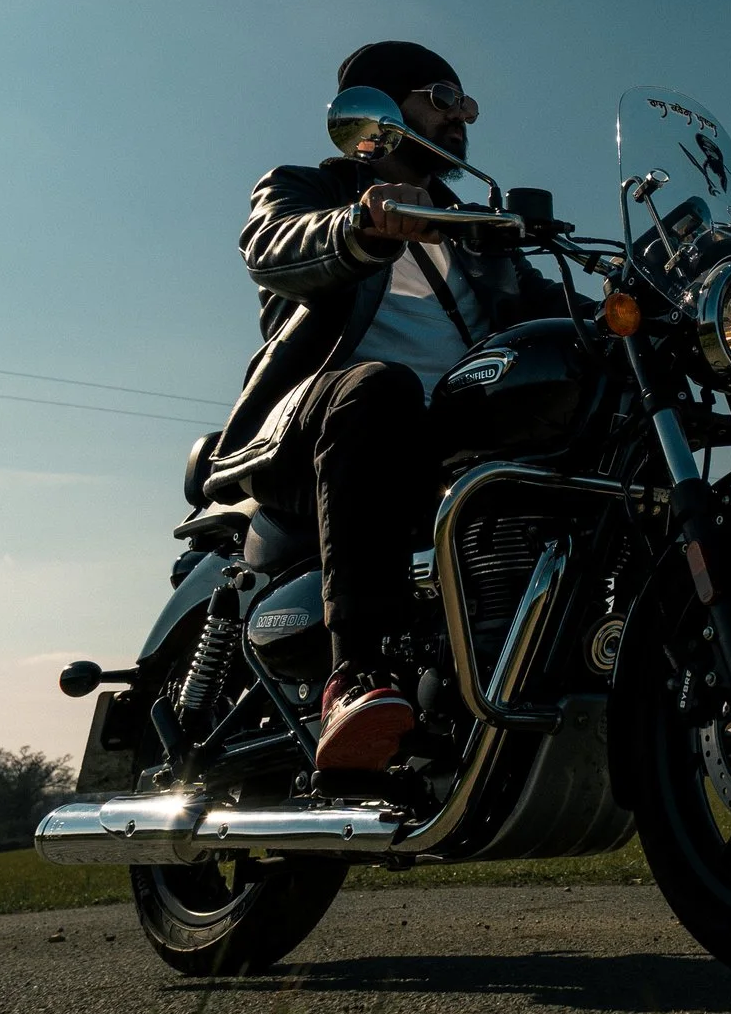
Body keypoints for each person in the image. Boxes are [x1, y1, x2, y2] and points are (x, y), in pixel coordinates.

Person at [202, 41, 582, 771]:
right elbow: (274, 245)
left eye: (467, 102)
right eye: (443, 97)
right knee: (382, 385)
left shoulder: (480, 234)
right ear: (379, 111)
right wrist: (361, 226)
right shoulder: (307, 190)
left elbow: (551, 310)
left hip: (446, 440)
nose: (464, 113)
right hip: (320, 430)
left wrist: (659, 311)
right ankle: (356, 676)